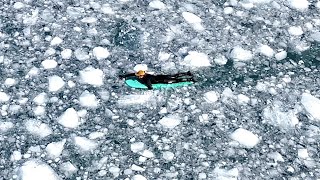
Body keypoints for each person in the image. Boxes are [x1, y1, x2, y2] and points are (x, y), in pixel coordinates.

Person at [119, 70, 195, 90]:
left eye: (139, 76)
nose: (138, 77)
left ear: (142, 75)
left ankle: (190, 79)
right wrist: (124, 76)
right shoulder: (143, 75)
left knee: (175, 80)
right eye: (138, 76)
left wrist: (149, 88)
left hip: (162, 81)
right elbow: (132, 74)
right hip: (159, 76)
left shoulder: (147, 78)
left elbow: (149, 85)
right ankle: (187, 74)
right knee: (173, 76)